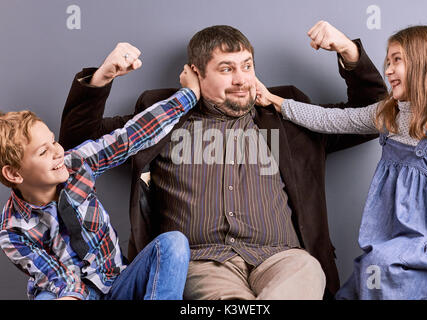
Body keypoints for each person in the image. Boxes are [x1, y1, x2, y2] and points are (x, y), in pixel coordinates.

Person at [59, 21, 387, 299]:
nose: (241, 79)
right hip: (204, 265)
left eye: (246, 66)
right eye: (227, 69)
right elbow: (78, 144)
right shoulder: (160, 119)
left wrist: (349, 52)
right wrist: (102, 77)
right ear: (196, 75)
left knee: (307, 269)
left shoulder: (286, 114)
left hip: (283, 260)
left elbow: (374, 117)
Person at [256, 25, 427, 300]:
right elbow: (332, 120)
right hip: (383, 250)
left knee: (380, 270)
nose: (389, 70)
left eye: (398, 60)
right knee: (357, 285)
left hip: (425, 255)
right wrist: (276, 101)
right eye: (388, 61)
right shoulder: (390, 115)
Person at [0, 43, 201, 300]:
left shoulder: (77, 164)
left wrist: (189, 95)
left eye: (53, 141)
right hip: (71, 293)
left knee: (173, 243)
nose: (58, 151)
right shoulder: (12, 231)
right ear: (15, 174)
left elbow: (132, 136)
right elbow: (57, 279)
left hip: (118, 283)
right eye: (42, 152)